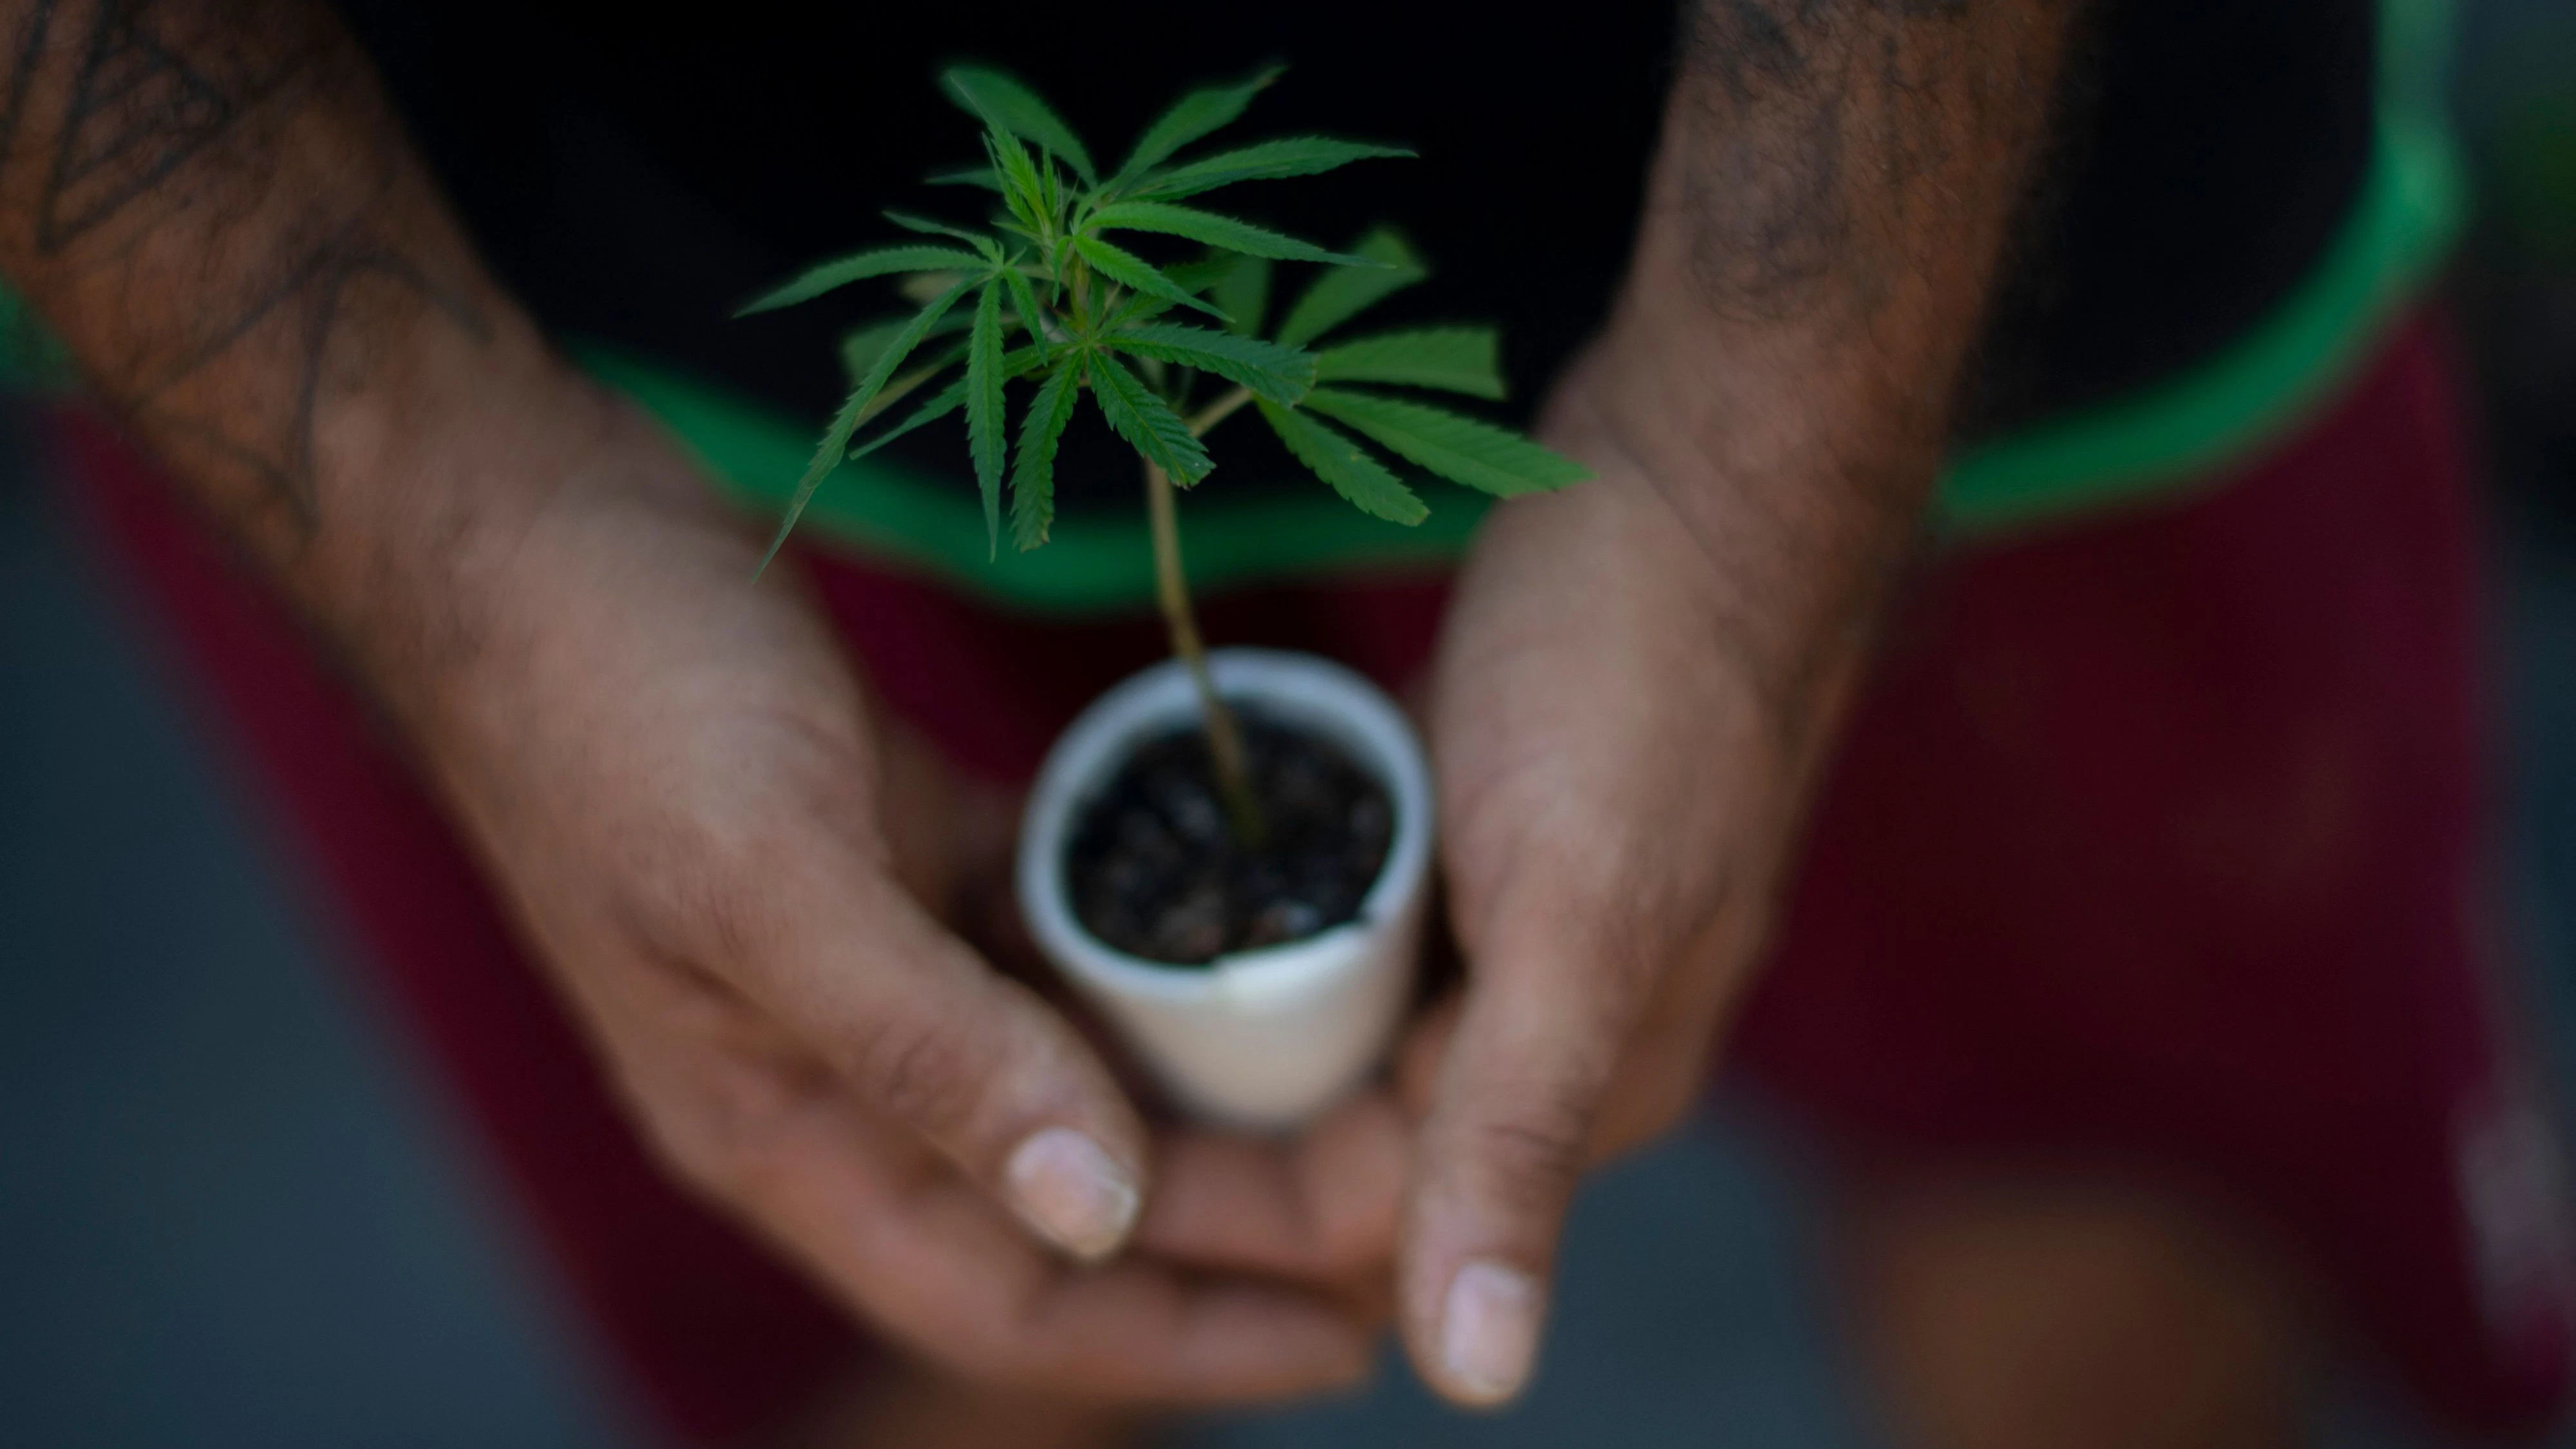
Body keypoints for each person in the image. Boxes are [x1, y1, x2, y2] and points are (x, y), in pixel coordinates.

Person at [5, 0, 2568, 1444]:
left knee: (2114, 1172)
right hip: (505, 296)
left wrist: (1773, 411)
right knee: (901, 1261)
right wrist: (439, 524)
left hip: (1980, 169)